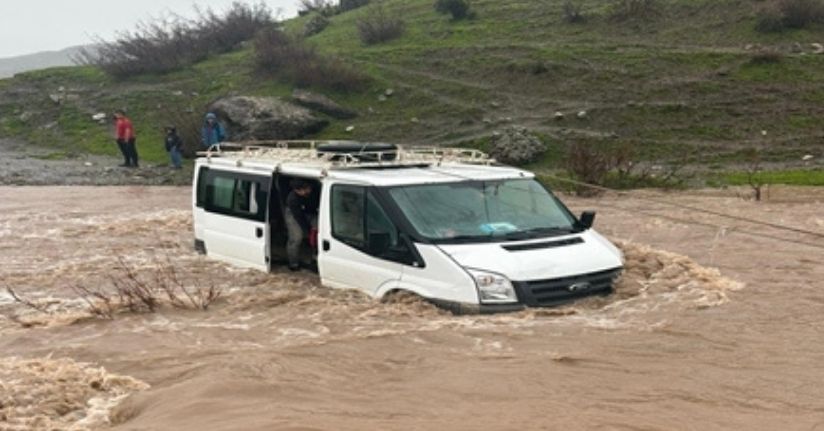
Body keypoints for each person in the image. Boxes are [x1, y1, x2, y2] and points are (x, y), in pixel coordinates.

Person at [285, 179, 316, 271]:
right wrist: (307, 230)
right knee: (296, 238)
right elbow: (299, 217)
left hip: (312, 211)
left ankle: (315, 259)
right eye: (298, 191)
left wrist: (312, 230)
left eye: (306, 189)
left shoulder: (316, 190)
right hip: (294, 213)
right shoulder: (292, 199)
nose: (303, 192)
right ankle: (293, 263)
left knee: (317, 234)